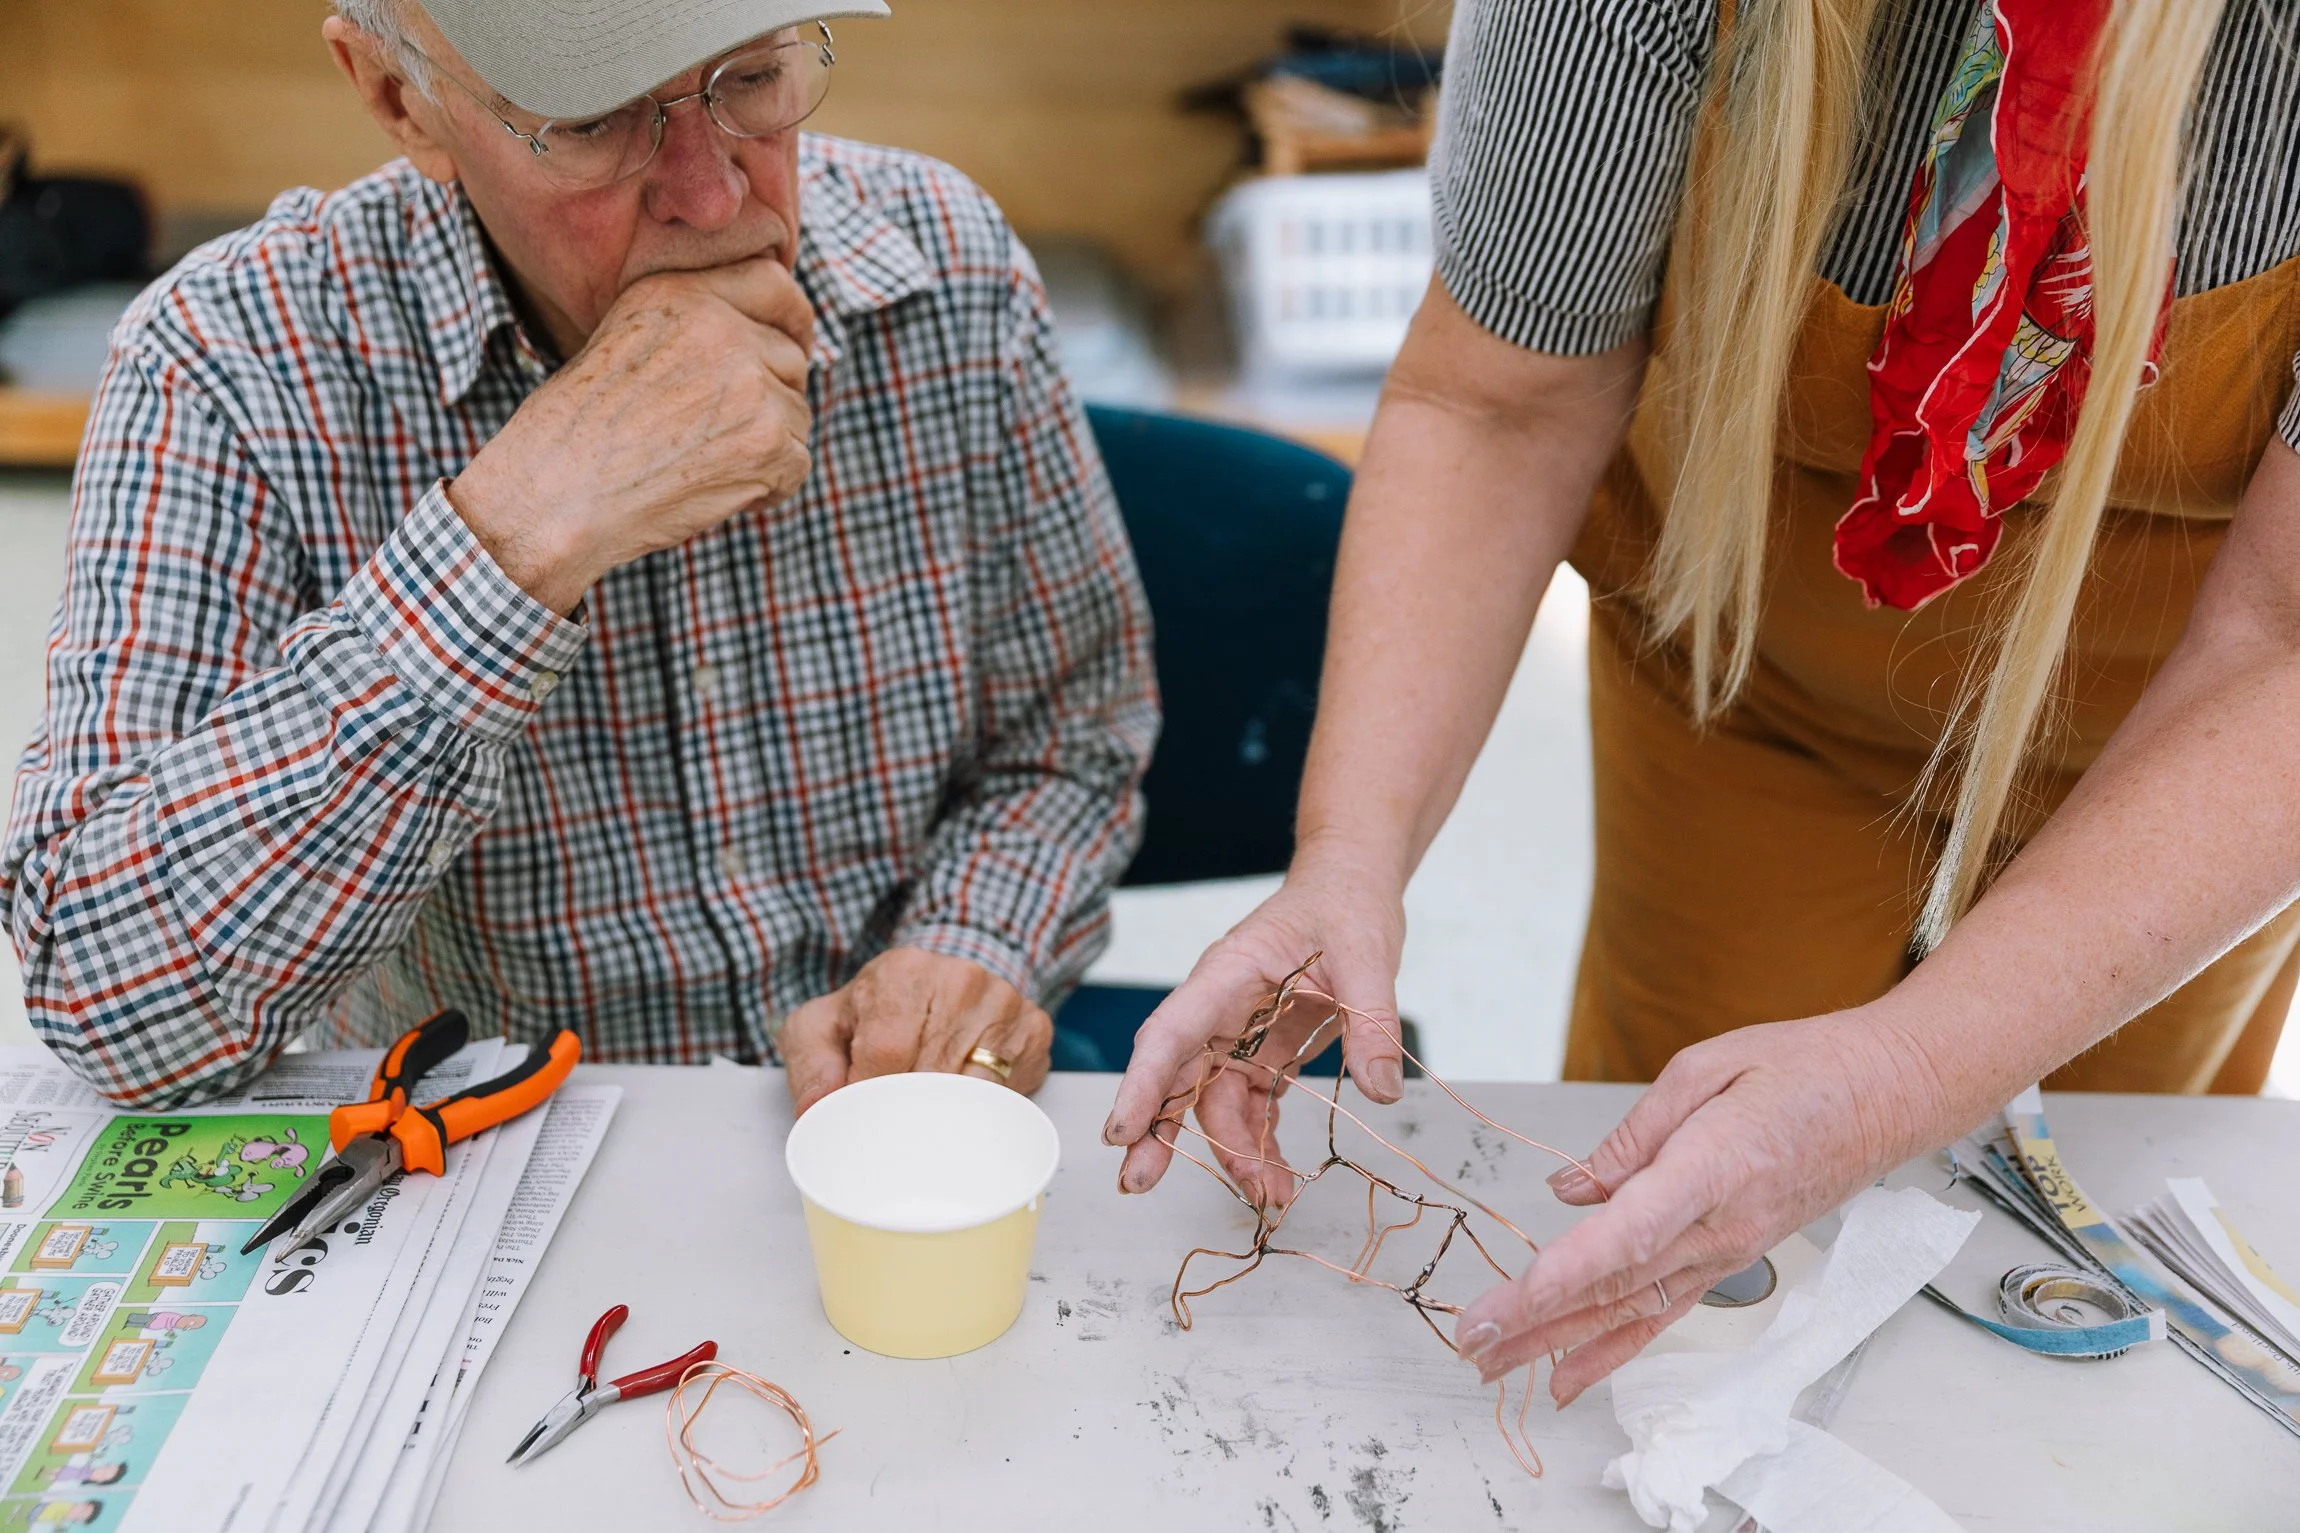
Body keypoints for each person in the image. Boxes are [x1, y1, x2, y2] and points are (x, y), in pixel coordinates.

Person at [1106, 0, 2300, 1405]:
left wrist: (1903, 1073)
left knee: (2078, 1297)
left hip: (2184, 754)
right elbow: (1501, 404)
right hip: (1740, 676)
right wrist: (1347, 856)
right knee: (1672, 1259)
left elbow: (2284, 640)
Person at [1, 0, 1156, 1109]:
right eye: (594, 121)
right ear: (399, 97)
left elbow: (1071, 734)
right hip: (488, 1143)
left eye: (752, 77)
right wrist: (520, 531)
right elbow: (109, 1001)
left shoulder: (943, 265)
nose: (710, 198)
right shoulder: (230, 357)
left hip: (887, 1131)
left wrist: (967, 946)